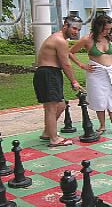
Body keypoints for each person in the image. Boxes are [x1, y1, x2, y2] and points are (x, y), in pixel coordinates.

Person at [69, 14, 112, 137]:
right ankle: (102, 125)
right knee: (99, 99)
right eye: (105, 29)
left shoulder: (111, 38)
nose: (108, 31)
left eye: (110, 29)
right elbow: (70, 52)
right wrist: (82, 65)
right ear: (98, 27)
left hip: (111, 72)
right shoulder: (87, 39)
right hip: (96, 73)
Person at [33, 15, 84, 147]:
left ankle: (47, 132)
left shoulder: (58, 38)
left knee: (61, 105)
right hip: (48, 73)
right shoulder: (60, 40)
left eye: (78, 30)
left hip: (50, 73)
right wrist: (74, 82)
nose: (76, 32)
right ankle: (54, 139)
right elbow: (65, 64)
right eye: (74, 28)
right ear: (65, 25)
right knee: (51, 108)